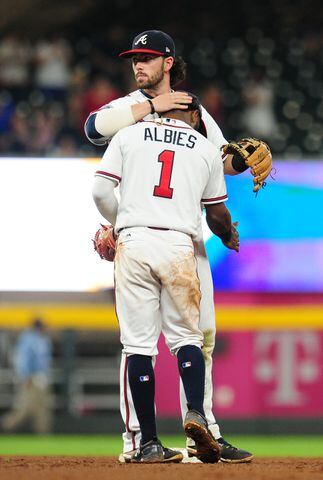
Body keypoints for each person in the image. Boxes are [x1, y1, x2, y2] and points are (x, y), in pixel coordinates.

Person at [85, 30, 253, 463]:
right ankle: (140, 439)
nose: (138, 66)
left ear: (168, 62)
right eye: (134, 59)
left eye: (147, 58)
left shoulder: (192, 109)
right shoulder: (129, 107)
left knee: (201, 337)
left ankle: (205, 432)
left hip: (178, 234)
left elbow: (221, 159)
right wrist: (151, 107)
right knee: (163, 341)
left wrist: (243, 159)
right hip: (148, 229)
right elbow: (92, 128)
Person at [1, 318, 53, 434]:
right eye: (43, 327)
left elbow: (44, 361)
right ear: (37, 327)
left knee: (43, 408)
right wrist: (25, 376)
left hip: (42, 379)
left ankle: (43, 434)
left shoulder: (44, 339)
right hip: (31, 378)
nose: (45, 329)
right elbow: (21, 360)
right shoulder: (28, 339)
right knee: (24, 408)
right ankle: (5, 426)